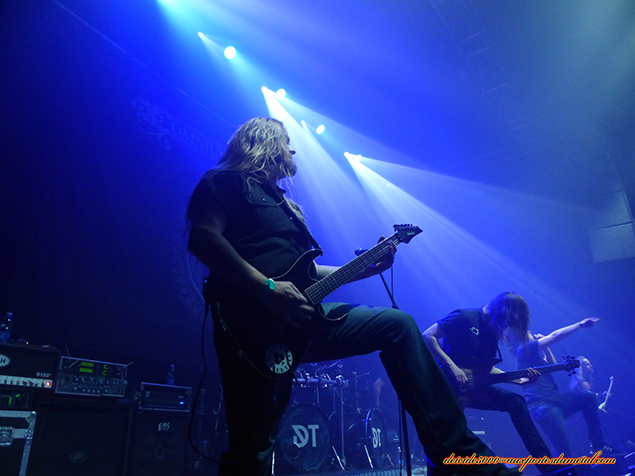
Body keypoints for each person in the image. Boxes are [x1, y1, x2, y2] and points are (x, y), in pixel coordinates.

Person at [186, 117, 517, 476]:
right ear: (264, 141)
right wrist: (266, 289)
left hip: (304, 320)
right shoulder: (224, 182)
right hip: (250, 328)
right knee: (252, 447)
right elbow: (203, 237)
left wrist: (366, 269)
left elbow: (308, 274)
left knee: (397, 325)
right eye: (286, 140)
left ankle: (460, 457)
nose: (293, 149)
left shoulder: (287, 206)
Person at [423, 293, 553, 473]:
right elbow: (428, 335)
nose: (507, 326)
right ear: (502, 311)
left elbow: (486, 369)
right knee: (447, 434)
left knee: (516, 403)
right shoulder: (465, 317)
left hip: (474, 387)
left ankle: (549, 466)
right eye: (508, 321)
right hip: (448, 385)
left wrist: (519, 380)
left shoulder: (492, 332)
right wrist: (452, 367)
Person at [502, 291, 620, 457]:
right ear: (521, 335)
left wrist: (545, 347)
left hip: (554, 401)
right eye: (528, 332)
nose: (531, 332)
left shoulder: (531, 352)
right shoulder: (524, 348)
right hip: (543, 406)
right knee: (563, 452)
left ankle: (598, 444)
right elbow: (556, 336)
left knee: (588, 397)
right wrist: (579, 324)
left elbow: (552, 364)